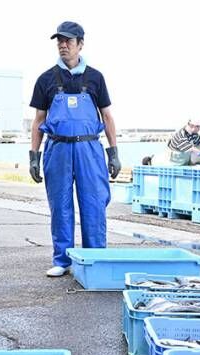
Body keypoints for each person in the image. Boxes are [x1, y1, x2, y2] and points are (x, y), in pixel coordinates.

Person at [28, 21, 121, 277]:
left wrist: (113, 152)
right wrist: (34, 156)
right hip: (57, 148)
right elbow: (38, 121)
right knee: (60, 204)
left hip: (89, 148)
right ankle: (63, 259)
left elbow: (107, 116)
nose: (63, 45)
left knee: (93, 203)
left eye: (68, 41)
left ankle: (95, 258)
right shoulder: (45, 79)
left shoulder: (95, 77)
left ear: (80, 44)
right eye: (59, 41)